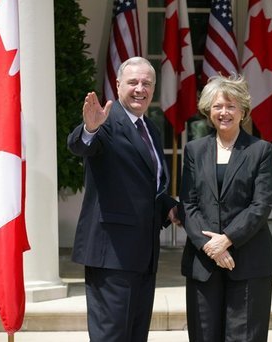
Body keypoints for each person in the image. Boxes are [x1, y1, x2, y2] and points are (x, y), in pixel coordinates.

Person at [67, 56, 180, 342]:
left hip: (144, 255)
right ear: (118, 85)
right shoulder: (105, 121)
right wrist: (90, 129)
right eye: (133, 82)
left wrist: (170, 207)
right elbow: (80, 145)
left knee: (134, 335)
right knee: (112, 336)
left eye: (146, 83)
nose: (140, 88)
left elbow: (146, 187)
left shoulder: (150, 129)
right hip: (112, 255)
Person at [180, 74, 272, 341]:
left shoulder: (261, 150)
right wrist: (210, 246)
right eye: (218, 106)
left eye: (231, 106)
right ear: (208, 111)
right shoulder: (194, 150)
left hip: (249, 262)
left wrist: (227, 239)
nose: (224, 112)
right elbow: (188, 204)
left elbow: (261, 204)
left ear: (243, 111)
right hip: (204, 263)